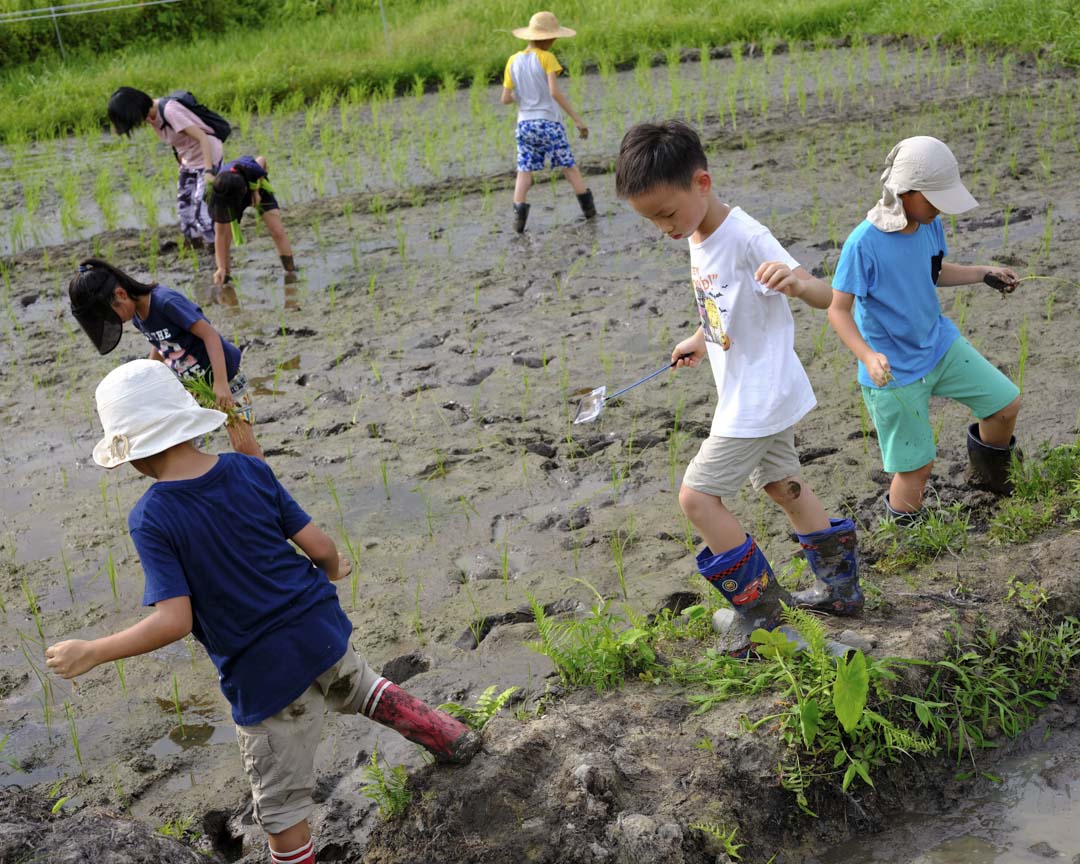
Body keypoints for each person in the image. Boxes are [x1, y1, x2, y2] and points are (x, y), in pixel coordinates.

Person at [44, 359, 479, 864]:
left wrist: (93, 651)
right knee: (362, 687)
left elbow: (175, 620)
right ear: (186, 421)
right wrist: (334, 569)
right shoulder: (248, 468)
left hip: (265, 677)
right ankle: (451, 737)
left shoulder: (152, 516)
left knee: (280, 810)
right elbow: (320, 546)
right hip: (321, 631)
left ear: (133, 453)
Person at [614, 120, 862, 656]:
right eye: (650, 220)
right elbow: (723, 307)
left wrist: (796, 283)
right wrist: (700, 340)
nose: (663, 228)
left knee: (697, 497)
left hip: (756, 397)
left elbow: (827, 294)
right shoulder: (695, 231)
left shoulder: (746, 235)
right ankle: (840, 589)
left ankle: (764, 617)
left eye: (666, 214)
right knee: (782, 485)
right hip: (754, 390)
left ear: (701, 184)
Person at [829, 136, 1021, 521]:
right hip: (893, 369)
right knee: (916, 467)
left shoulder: (928, 224)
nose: (939, 209)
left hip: (938, 344)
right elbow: (838, 310)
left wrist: (983, 273)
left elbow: (932, 272)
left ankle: (991, 481)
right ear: (904, 191)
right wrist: (867, 357)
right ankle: (905, 536)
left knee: (1004, 404)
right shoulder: (862, 244)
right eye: (933, 200)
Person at [67, 258, 263, 460]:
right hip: (194, 387)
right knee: (178, 444)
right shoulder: (137, 315)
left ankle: (268, 489)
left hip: (225, 379)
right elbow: (161, 343)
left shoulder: (165, 303)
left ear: (121, 294)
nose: (115, 322)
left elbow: (210, 335)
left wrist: (221, 383)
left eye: (111, 315)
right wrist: (149, 373)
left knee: (243, 445)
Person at [501, 10, 596, 233]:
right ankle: (590, 213)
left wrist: (522, 98)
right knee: (569, 168)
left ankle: (518, 223)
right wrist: (577, 120)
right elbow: (554, 92)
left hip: (525, 125)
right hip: (548, 124)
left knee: (524, 171)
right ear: (549, 38)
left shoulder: (512, 61)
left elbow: (505, 98)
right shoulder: (547, 58)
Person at [108, 86, 223, 248]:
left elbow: (202, 137)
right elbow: (177, 142)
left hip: (207, 156)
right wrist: (182, 165)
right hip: (189, 159)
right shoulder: (150, 116)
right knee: (185, 209)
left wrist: (209, 171)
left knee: (201, 209)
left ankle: (215, 247)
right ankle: (193, 244)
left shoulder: (170, 112)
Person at [209, 155, 299, 291]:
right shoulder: (220, 195)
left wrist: (256, 190)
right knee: (225, 234)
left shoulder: (250, 169)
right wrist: (220, 267)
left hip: (256, 186)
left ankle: (290, 271)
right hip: (229, 195)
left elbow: (262, 159)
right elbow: (220, 235)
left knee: (277, 230)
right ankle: (225, 277)